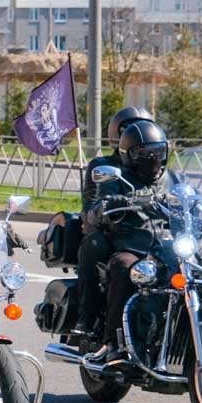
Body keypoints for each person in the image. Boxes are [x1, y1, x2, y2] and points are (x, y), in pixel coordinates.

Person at [84, 120, 169, 360]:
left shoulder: (171, 177)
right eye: (144, 154)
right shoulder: (117, 178)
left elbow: (188, 197)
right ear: (128, 155)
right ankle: (114, 343)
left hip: (166, 247)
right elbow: (96, 207)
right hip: (132, 246)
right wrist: (110, 203)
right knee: (124, 267)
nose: (153, 159)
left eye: (158, 152)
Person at [72, 107, 155, 340]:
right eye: (130, 129)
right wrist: (107, 207)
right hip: (113, 234)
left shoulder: (159, 170)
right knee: (96, 244)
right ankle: (90, 321)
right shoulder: (105, 167)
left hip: (151, 238)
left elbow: (182, 194)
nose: (140, 135)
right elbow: (92, 206)